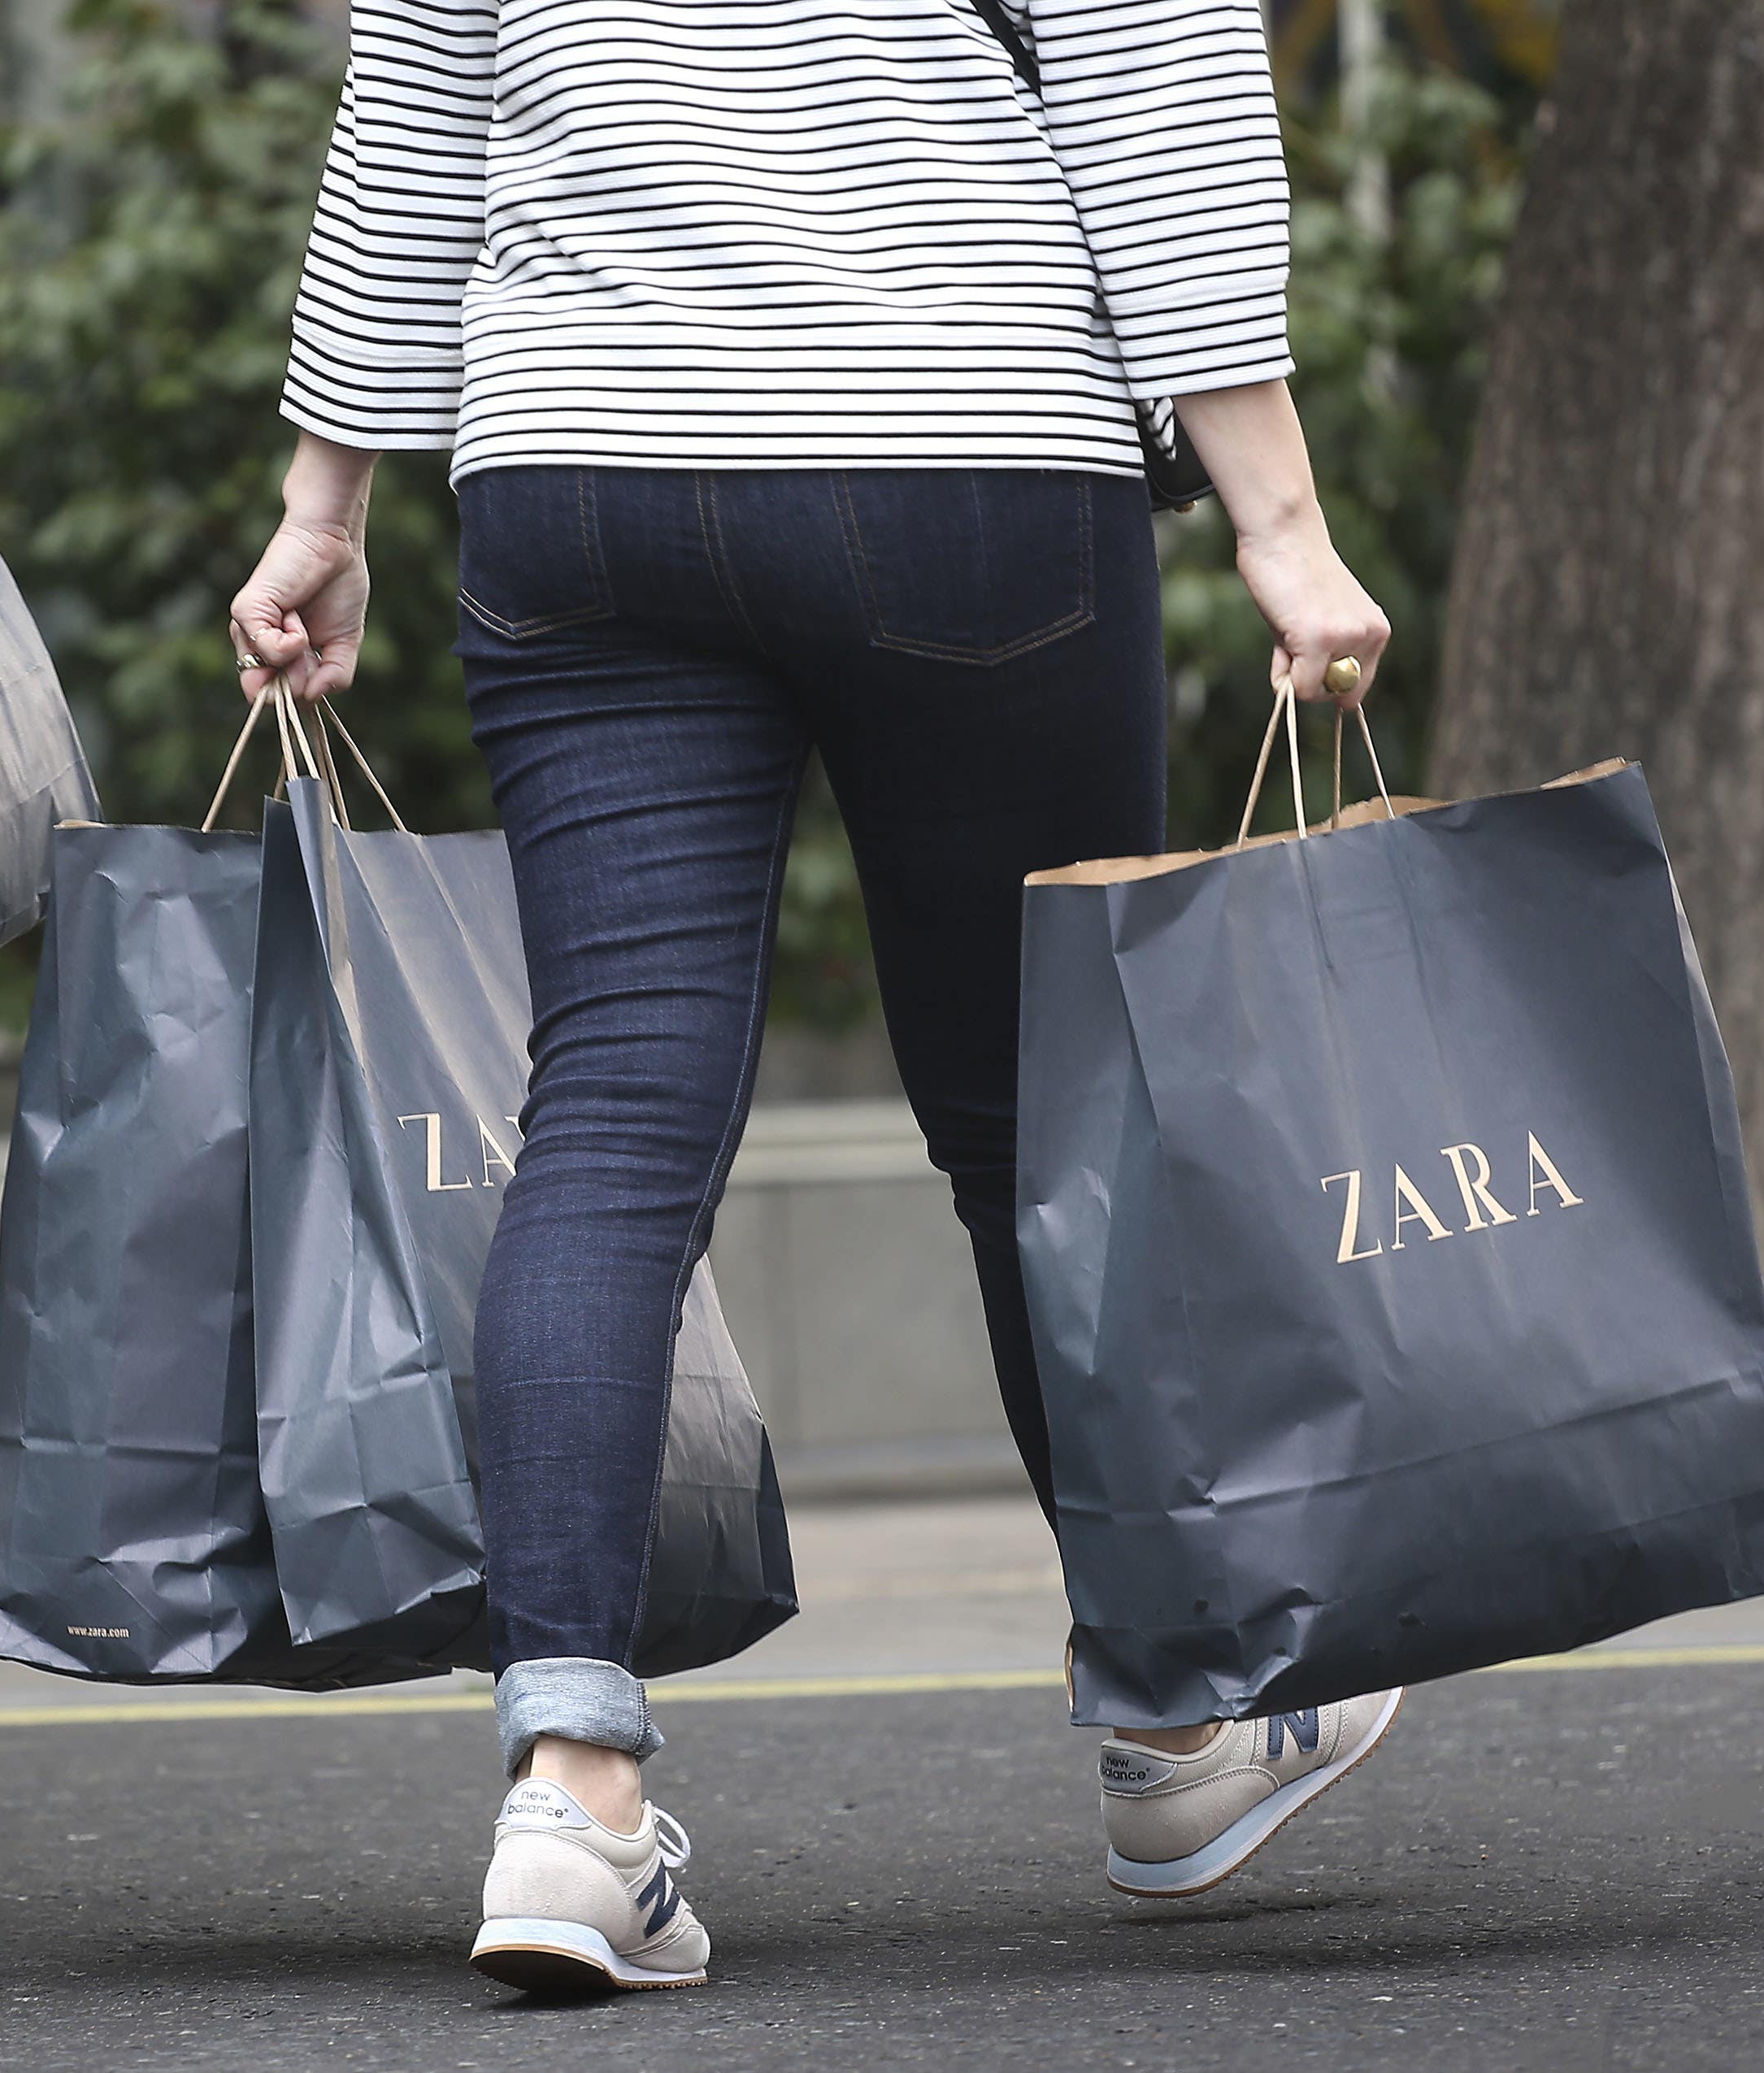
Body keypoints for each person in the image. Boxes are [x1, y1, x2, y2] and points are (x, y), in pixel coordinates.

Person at [230, 0, 1400, 1993]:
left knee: (601, 1108)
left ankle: (570, 1791)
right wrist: (1282, 528)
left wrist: (323, 504)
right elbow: (1154, 85)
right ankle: (1178, 1714)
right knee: (1039, 1124)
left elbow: (412, 118)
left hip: (589, 476)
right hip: (965, 450)